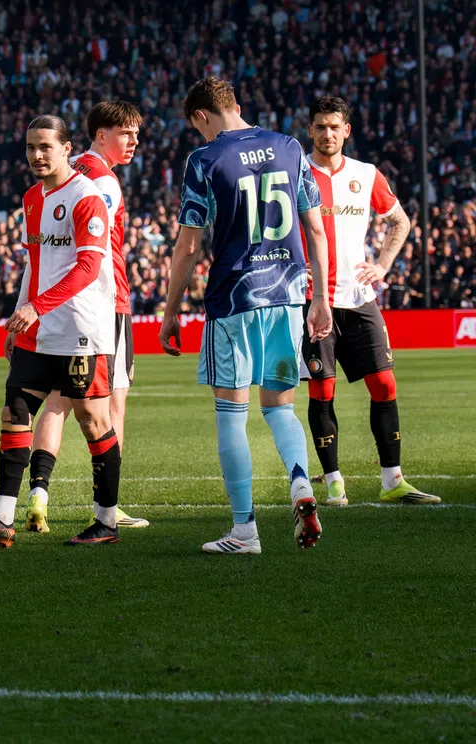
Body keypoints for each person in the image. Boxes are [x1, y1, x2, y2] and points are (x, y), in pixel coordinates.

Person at [159, 76, 332, 555]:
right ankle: (301, 484)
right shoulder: (290, 147)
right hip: (288, 295)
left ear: (201, 116)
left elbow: (188, 247)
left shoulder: (205, 159)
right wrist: (319, 298)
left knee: (231, 415)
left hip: (234, 299)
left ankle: (245, 530)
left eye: (196, 126)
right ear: (235, 103)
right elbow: (316, 229)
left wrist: (171, 312)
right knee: (280, 409)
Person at [0, 115, 123, 548]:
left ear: (67, 148)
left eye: (45, 146)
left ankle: (106, 521)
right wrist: (18, 318)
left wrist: (37, 306)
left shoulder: (87, 197)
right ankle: (2, 518)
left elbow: (89, 267)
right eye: (30, 147)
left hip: (81, 328)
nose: (36, 155)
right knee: (15, 410)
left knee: (93, 420)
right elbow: (35, 264)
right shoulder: (31, 198)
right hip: (38, 327)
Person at [299, 97, 439, 506]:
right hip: (312, 300)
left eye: (334, 126)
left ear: (346, 131)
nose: (327, 133)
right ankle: (334, 482)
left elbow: (400, 221)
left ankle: (393, 479)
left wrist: (382, 265)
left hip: (359, 298)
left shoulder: (366, 174)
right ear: (310, 130)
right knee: (322, 390)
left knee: (385, 383)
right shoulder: (295, 173)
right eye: (320, 126)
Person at [24, 101, 149, 535]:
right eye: (126, 133)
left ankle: (39, 496)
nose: (134, 141)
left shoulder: (67, 170)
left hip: (56, 303)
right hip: (103, 304)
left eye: (136, 134)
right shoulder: (103, 182)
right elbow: (94, 254)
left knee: (57, 400)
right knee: (110, 406)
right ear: (101, 135)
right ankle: (108, 508)